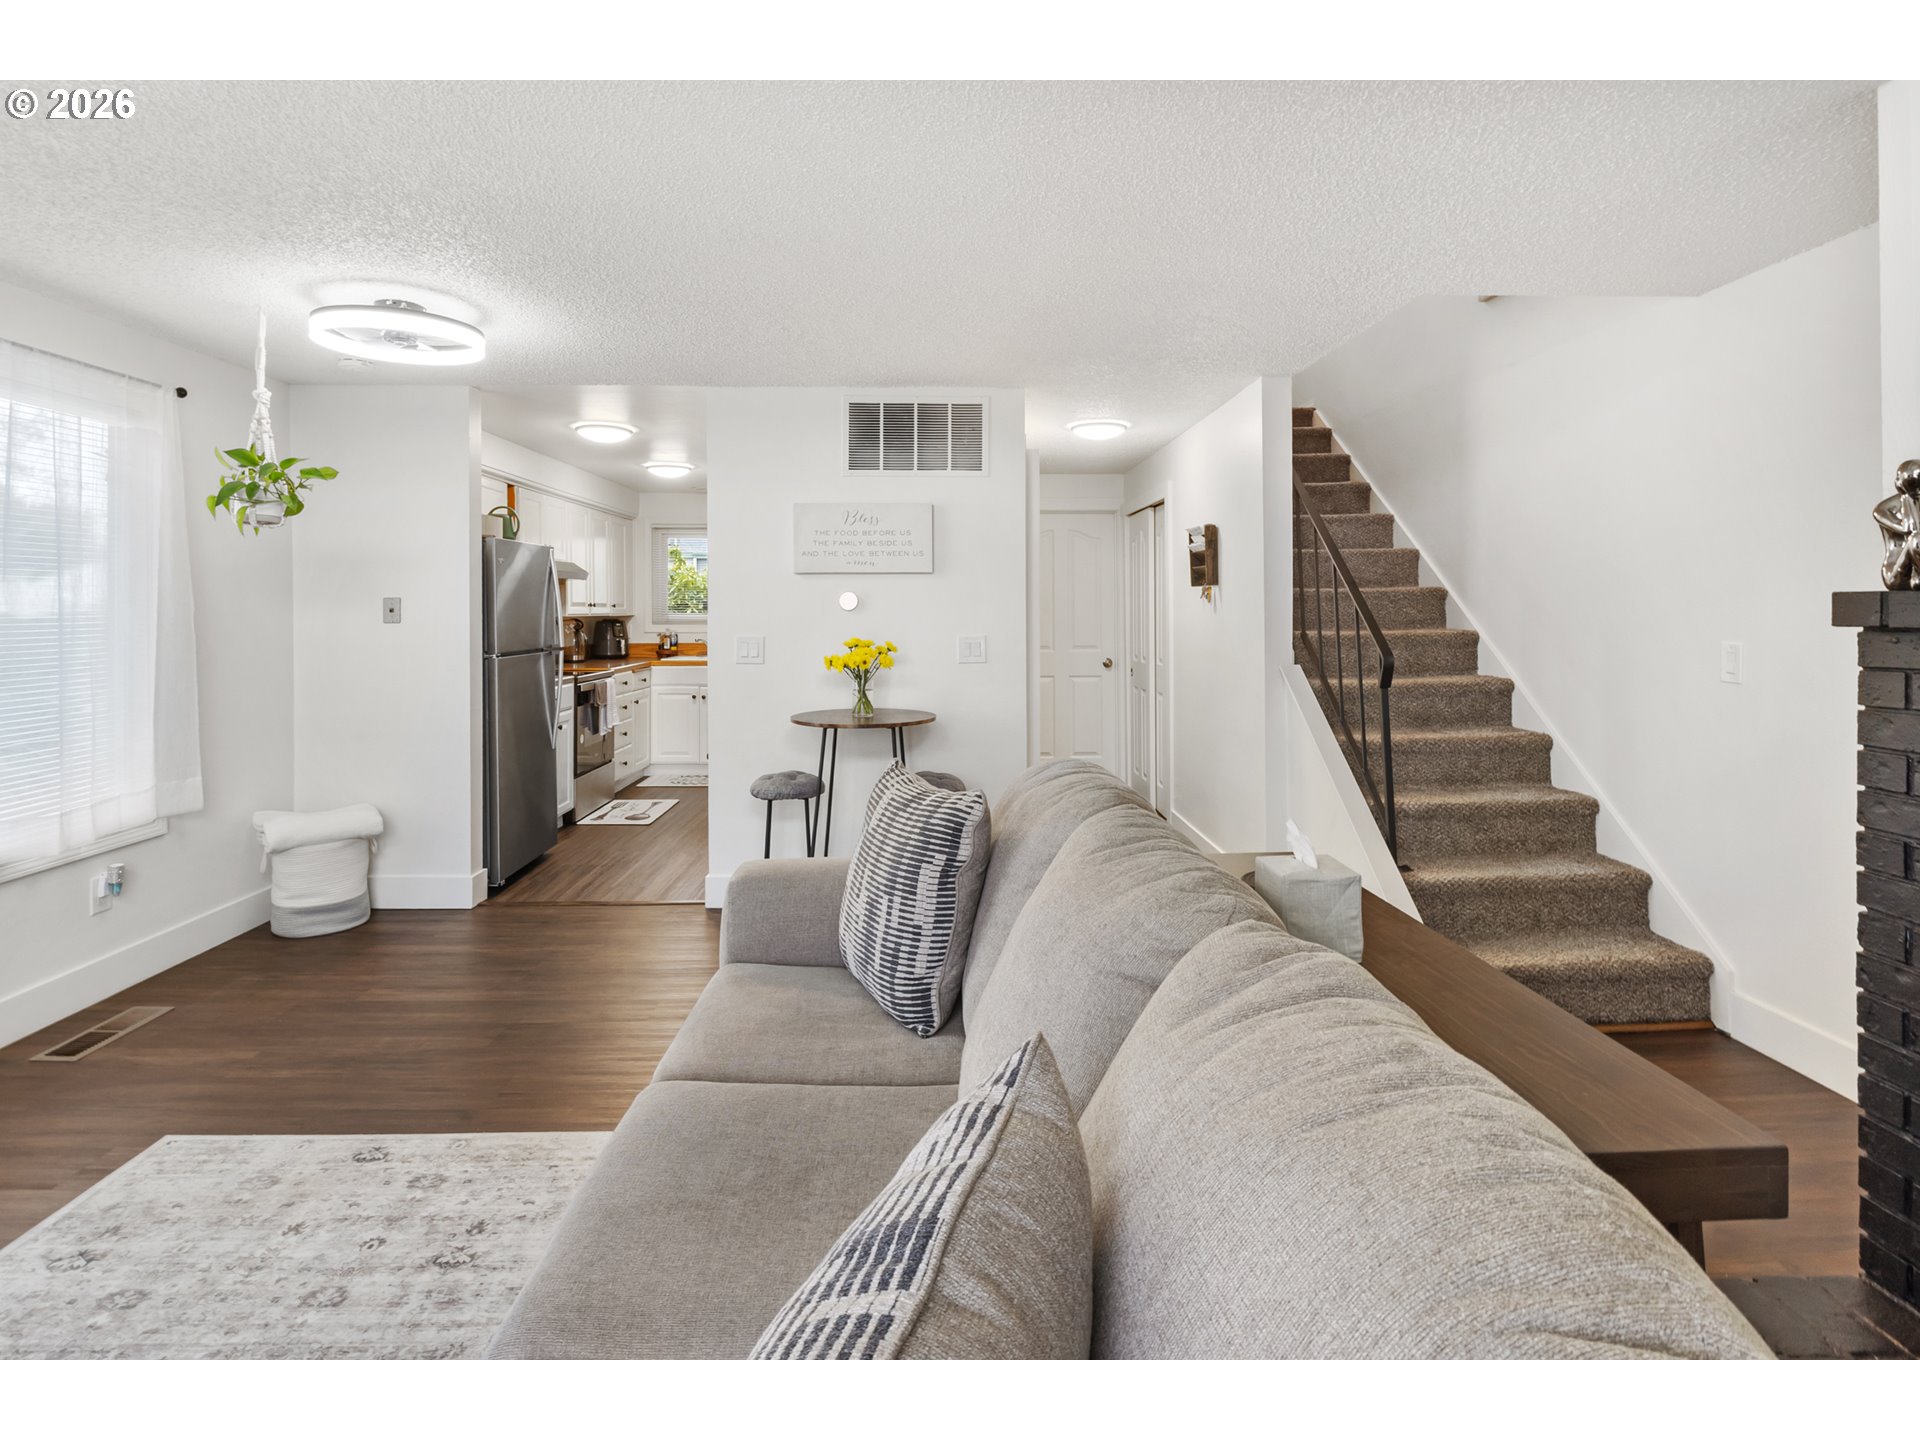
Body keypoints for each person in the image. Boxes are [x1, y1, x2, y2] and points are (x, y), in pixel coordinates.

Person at [1874, 460, 1920, 590]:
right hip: (1895, 573)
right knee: (1915, 539)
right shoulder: (1892, 506)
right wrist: (1906, 529)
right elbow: (1879, 513)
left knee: (1915, 540)